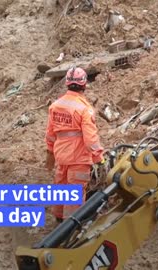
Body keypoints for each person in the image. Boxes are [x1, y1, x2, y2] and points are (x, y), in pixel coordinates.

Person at [44, 67, 105, 223]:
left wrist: (50, 153)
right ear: (84, 84)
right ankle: (71, 226)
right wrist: (99, 158)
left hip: (61, 156)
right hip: (78, 158)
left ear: (67, 84)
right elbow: (91, 139)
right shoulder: (85, 109)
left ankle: (58, 219)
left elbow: (50, 135)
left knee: (60, 188)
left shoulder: (56, 105)